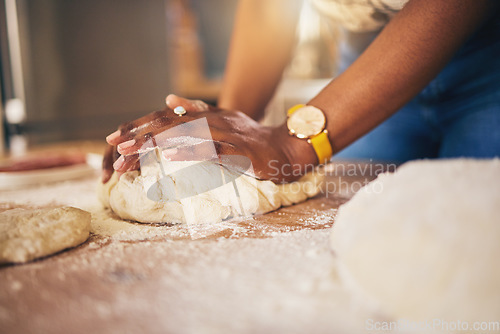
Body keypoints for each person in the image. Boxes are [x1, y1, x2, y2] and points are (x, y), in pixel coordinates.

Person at [102, 0, 500, 184]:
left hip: (488, 59)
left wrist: (292, 145)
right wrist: (221, 136)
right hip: (366, 68)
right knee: (354, 234)